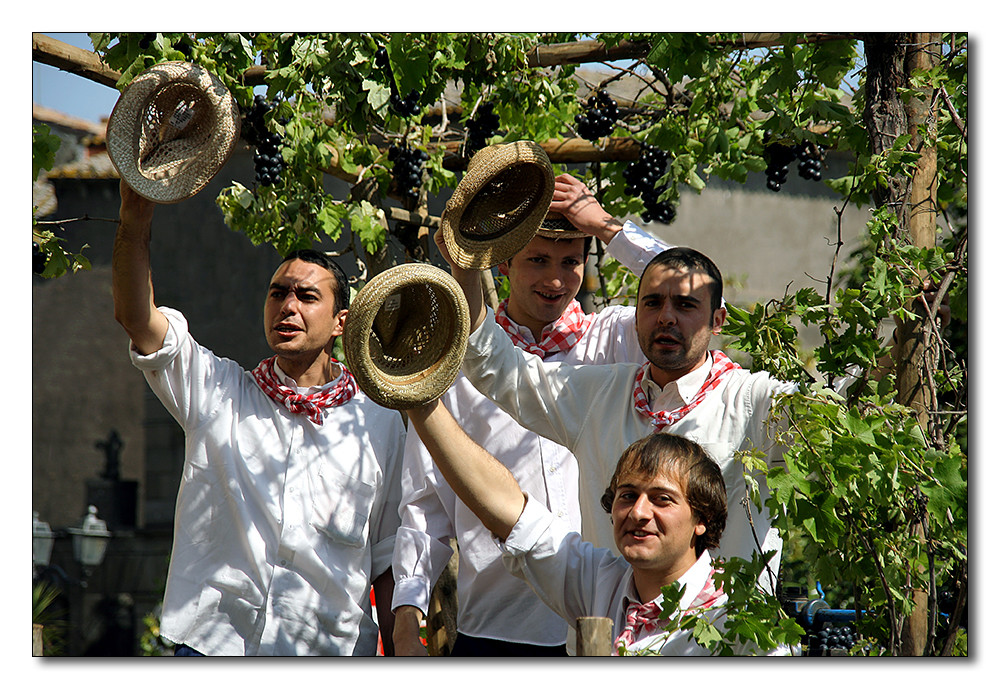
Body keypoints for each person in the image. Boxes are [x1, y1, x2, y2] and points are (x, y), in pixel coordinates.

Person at [437, 180, 798, 597]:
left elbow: (846, 414)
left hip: (715, 649)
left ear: (717, 322)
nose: (666, 317)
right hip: (605, 639)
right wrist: (464, 266)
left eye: (685, 306)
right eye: (652, 304)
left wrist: (606, 227)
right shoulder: (604, 392)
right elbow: (499, 369)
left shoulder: (754, 401)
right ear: (636, 313)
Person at [112, 180, 405, 656]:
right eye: (277, 293)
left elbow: (389, 556)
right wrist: (134, 219)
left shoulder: (379, 421)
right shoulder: (218, 392)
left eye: (307, 297)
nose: (288, 306)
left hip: (330, 652)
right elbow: (136, 317)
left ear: (341, 323)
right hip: (214, 646)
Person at [391, 173, 673, 656]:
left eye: (570, 260)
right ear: (502, 264)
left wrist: (605, 225)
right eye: (538, 260)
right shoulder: (460, 362)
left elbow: (697, 291)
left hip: (611, 625)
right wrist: (405, 620)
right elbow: (425, 500)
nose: (555, 279)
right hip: (496, 631)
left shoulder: (617, 340)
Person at [405, 397, 781, 655]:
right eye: (627, 495)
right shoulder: (601, 582)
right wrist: (421, 400)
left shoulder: (740, 621)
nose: (638, 512)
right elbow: (506, 510)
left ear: (702, 519)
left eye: (662, 499)